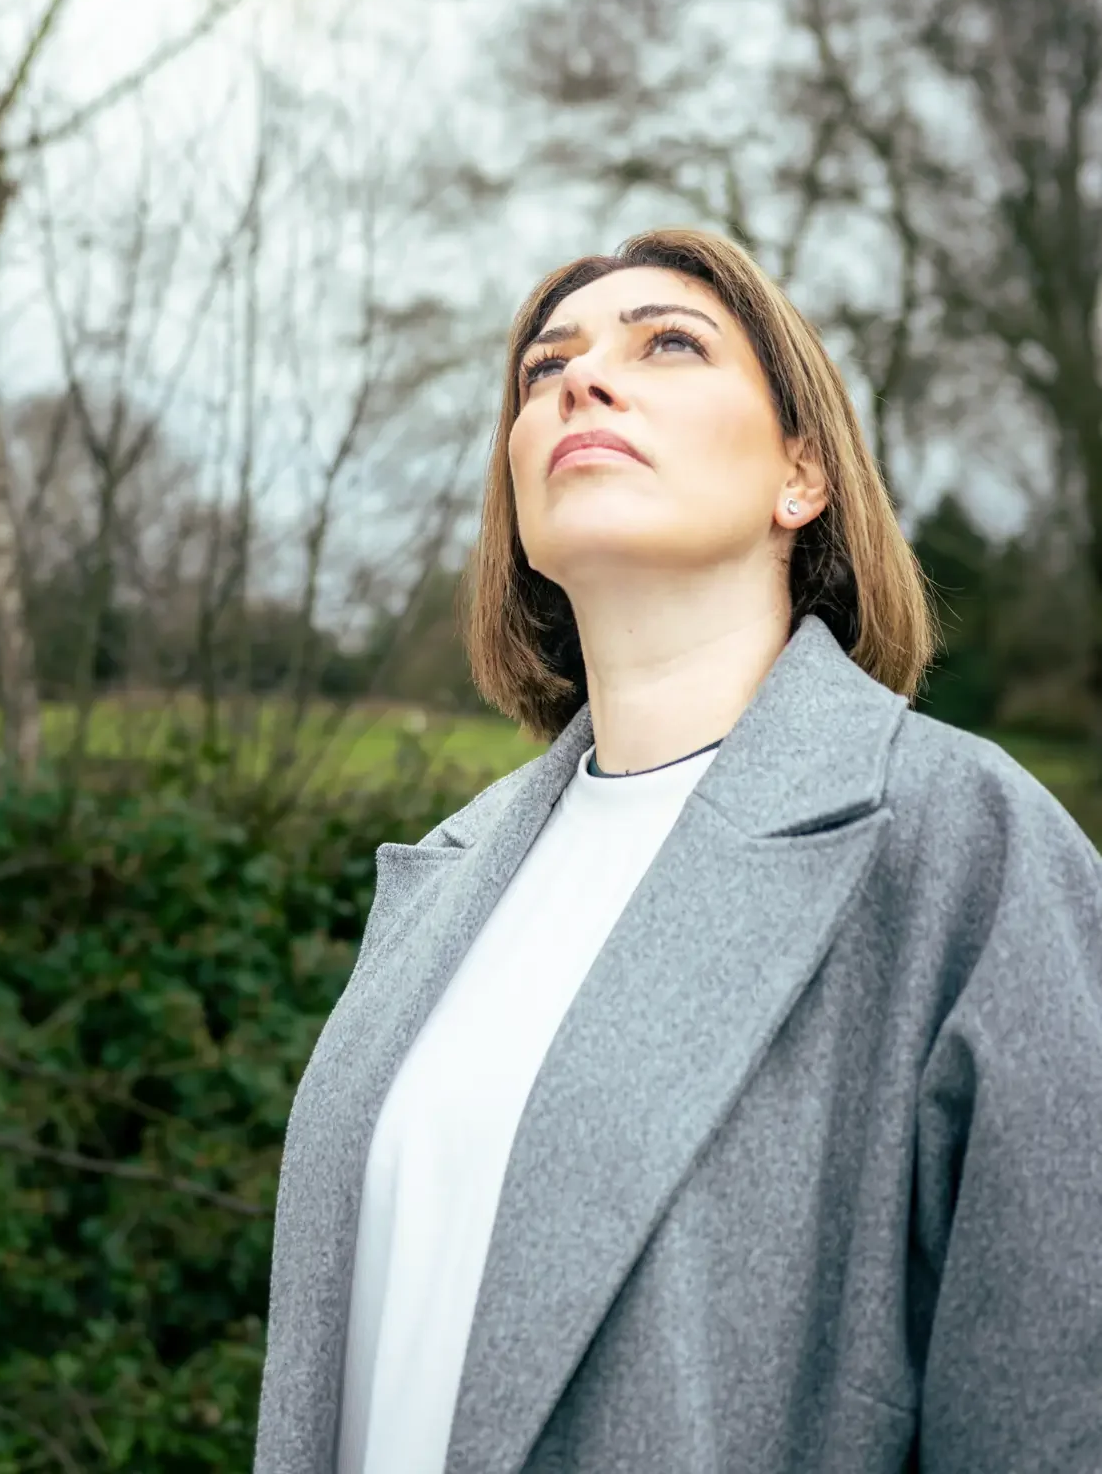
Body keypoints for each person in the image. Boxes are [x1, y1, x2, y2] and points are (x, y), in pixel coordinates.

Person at [253, 226, 1102, 1474]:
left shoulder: (968, 848)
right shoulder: (441, 878)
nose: (579, 382)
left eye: (668, 343)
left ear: (800, 474)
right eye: (545, 368)